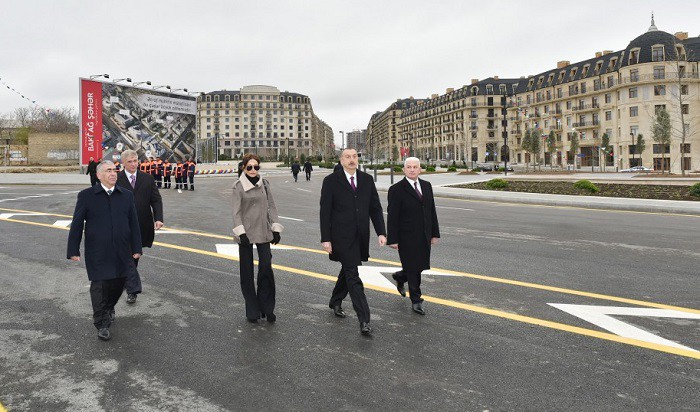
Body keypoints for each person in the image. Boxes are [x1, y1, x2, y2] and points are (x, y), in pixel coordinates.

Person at [67, 160, 142, 341]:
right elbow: (77, 224)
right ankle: (101, 323)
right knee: (100, 286)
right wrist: (73, 249)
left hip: (122, 250)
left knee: (118, 284)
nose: (113, 173)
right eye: (108, 171)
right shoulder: (87, 196)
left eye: (114, 170)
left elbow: (134, 223)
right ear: (99, 175)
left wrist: (137, 247)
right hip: (97, 251)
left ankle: (108, 307)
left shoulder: (126, 195)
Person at [320, 148, 386, 336]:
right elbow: (325, 212)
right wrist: (326, 238)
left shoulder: (366, 180)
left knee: (347, 270)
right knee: (353, 275)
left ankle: (335, 300)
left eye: (354, 156)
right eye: (347, 157)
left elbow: (375, 208)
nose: (352, 160)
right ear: (341, 160)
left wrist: (381, 232)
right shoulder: (331, 181)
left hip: (360, 235)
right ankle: (364, 319)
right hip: (340, 236)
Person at [232, 153, 284, 323]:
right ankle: (252, 310)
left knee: (266, 269)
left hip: (263, 230)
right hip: (246, 233)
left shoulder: (265, 184)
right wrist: (241, 233)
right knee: (246, 273)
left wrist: (275, 228)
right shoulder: (238, 186)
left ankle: (267, 308)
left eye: (256, 167)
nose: (253, 170)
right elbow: (236, 212)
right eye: (250, 167)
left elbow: (272, 206)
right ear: (243, 168)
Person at [386, 157, 440, 315]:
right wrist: (393, 239)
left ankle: (400, 277)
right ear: (403, 169)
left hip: (424, 234)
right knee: (413, 267)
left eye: (415, 167)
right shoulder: (396, 189)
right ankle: (416, 300)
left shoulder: (427, 186)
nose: (411, 169)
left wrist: (435, 233)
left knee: (420, 266)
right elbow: (392, 216)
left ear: (420, 169)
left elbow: (431, 211)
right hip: (406, 236)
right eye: (408, 167)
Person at [116, 150, 164, 304]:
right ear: (123, 162)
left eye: (135, 160)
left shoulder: (147, 179)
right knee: (128, 256)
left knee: (134, 257)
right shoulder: (116, 179)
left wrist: (158, 218)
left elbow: (156, 200)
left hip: (142, 225)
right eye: (130, 161)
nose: (133, 164)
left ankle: (128, 282)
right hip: (122, 226)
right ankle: (132, 289)